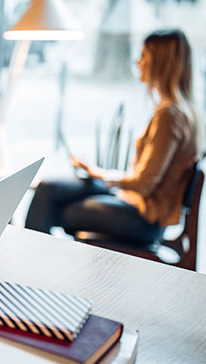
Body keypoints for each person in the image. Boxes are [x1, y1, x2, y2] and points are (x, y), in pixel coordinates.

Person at [25, 29, 201, 242]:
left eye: (143, 56)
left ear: (160, 64)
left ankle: (29, 267)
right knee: (48, 188)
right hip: (132, 201)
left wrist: (100, 174)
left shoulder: (169, 116)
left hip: (144, 218)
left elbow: (144, 184)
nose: (138, 63)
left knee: (51, 206)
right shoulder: (181, 111)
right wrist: (98, 174)